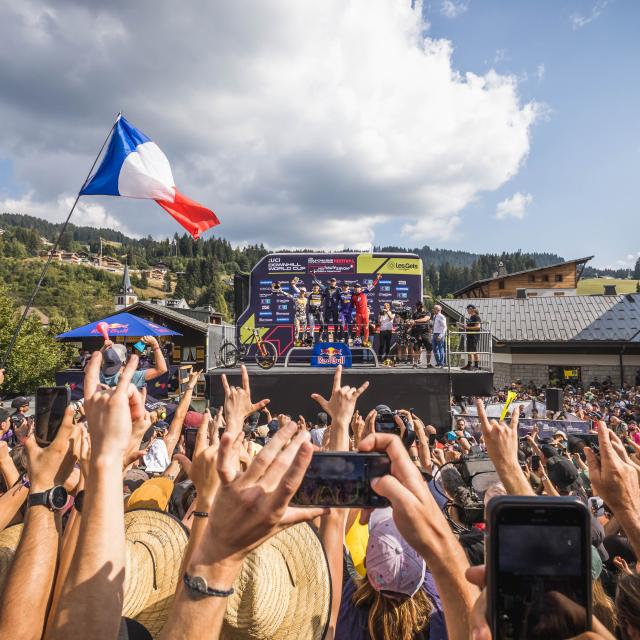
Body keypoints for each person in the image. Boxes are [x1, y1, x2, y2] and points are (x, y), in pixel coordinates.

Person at [100, 336, 167, 389]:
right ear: (124, 361)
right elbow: (162, 369)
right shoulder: (131, 377)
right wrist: (155, 345)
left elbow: (94, 363)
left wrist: (104, 347)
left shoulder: (98, 376)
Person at [273, 279, 309, 346]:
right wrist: (280, 290)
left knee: (304, 330)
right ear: (300, 292)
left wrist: (294, 285)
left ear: (305, 292)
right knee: (297, 330)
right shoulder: (295, 298)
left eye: (303, 292)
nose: (302, 293)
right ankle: (297, 342)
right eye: (301, 291)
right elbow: (288, 295)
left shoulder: (306, 299)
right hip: (297, 317)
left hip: (304, 316)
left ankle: (304, 342)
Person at [350, 276, 381, 347]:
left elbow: (372, 285)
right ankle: (357, 341)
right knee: (358, 328)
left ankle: (366, 341)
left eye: (358, 287)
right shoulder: (353, 296)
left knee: (366, 328)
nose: (357, 288)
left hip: (365, 314)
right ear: (354, 289)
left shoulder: (365, 292)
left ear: (360, 288)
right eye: (355, 287)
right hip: (358, 314)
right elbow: (352, 306)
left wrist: (377, 279)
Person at [315, 276, 343, 341]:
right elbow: (319, 284)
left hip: (335, 308)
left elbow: (342, 298)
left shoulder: (338, 290)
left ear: (335, 282)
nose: (332, 283)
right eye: (331, 281)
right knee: (326, 323)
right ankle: (326, 338)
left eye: (334, 281)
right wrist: (314, 276)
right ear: (330, 282)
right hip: (327, 308)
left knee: (335, 323)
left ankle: (335, 338)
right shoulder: (326, 289)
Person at [409, 300, 432, 369]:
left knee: (429, 349)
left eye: (418, 305)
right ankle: (415, 364)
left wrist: (415, 321)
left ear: (421, 305)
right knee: (416, 349)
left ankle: (428, 364)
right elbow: (411, 322)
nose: (417, 307)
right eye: (417, 306)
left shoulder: (427, 312)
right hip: (417, 333)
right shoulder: (415, 314)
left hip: (426, 333)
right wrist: (409, 322)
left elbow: (425, 319)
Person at [461, 304, 481, 370]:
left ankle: (476, 366)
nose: (467, 310)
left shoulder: (476, 317)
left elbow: (478, 327)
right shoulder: (471, 317)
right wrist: (464, 326)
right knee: (469, 351)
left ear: (471, 309)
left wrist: (467, 327)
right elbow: (470, 326)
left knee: (474, 350)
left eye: (467, 309)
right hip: (470, 336)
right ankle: (469, 364)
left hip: (474, 336)